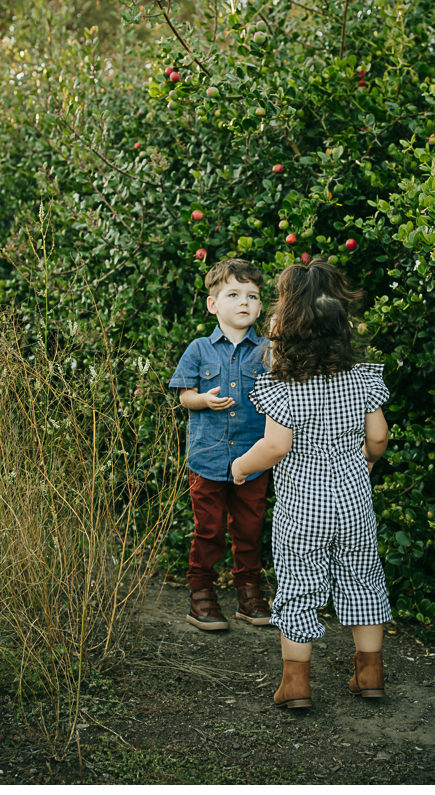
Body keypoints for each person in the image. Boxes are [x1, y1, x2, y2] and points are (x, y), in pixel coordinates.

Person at [231, 258, 391, 707]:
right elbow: (377, 436)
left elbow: (275, 447)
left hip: (303, 509)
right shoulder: (361, 379)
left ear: (286, 329)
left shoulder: (282, 387)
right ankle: (370, 676)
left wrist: (242, 467)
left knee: (299, 587)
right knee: (363, 581)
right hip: (355, 504)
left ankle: (297, 685)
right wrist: (365, 461)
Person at [169, 258, 273, 631]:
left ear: (260, 306)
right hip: (208, 458)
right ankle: (202, 596)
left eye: (252, 296)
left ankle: (249, 593)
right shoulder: (199, 349)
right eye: (233, 294)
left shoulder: (267, 352)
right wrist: (203, 401)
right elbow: (184, 396)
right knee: (208, 529)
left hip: (253, 458)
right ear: (213, 304)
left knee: (249, 529)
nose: (244, 302)